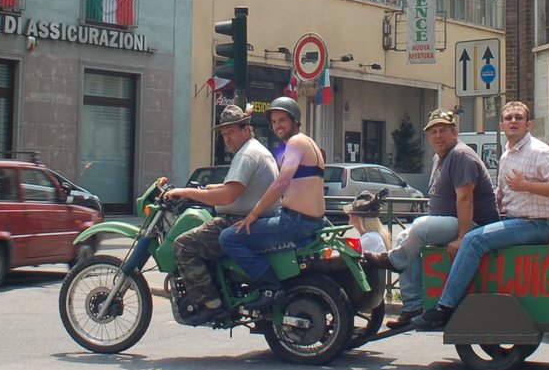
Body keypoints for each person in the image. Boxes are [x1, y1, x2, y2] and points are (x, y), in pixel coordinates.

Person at [414, 100, 549, 330]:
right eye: (508, 118)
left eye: (518, 118)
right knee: (472, 234)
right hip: (513, 221)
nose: (513, 122)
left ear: (528, 124)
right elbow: (500, 195)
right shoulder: (507, 155)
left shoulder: (540, 151)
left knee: (472, 240)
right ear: (501, 125)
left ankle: (445, 308)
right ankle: (422, 301)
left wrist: (526, 185)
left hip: (538, 224)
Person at [364, 108, 498, 322]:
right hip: (450, 222)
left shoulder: (461, 155)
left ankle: (394, 260)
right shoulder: (440, 158)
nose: (438, 136)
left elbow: (466, 199)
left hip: (474, 226)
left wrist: (463, 237)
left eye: (443, 130)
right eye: (433, 132)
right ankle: (413, 306)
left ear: (455, 133)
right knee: (403, 237)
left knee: (420, 227)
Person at [163, 104, 276, 322]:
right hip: (254, 220)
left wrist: (188, 192)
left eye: (231, 131)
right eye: (224, 133)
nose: (227, 138)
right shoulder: (253, 150)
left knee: (183, 245)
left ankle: (211, 304)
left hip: (239, 222)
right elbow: (233, 187)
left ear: (246, 129)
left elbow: (227, 196)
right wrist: (203, 190)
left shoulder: (247, 155)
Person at [219, 95, 328, 304]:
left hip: (295, 222)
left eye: (282, 120)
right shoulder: (309, 143)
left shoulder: (296, 142)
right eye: (274, 121)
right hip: (308, 220)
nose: (277, 126)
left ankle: (270, 288)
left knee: (228, 238)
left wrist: (253, 214)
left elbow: (281, 183)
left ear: (295, 121)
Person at [345, 189, 390, 255]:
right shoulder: (372, 236)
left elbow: (347, 256)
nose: (348, 214)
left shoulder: (370, 238)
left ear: (360, 218)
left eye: (352, 213)